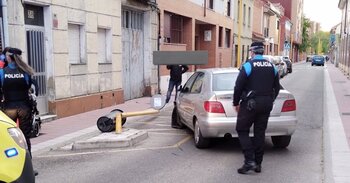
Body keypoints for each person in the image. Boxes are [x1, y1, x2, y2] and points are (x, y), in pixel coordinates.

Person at [233, 42, 280, 174]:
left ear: (252, 52)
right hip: (266, 104)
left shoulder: (248, 65)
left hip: (250, 104)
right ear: (262, 52)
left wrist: (236, 102)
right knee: (260, 133)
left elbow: (238, 86)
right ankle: (258, 164)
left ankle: (249, 161)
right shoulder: (272, 66)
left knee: (242, 130)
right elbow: (277, 87)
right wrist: (271, 99)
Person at [0, 48, 35, 156]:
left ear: (9, 57)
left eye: (6, 56)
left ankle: (13, 160)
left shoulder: (2, 72)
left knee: (9, 136)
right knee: (25, 136)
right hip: (24, 107)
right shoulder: (26, 72)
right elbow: (29, 86)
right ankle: (28, 163)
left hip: (9, 107)